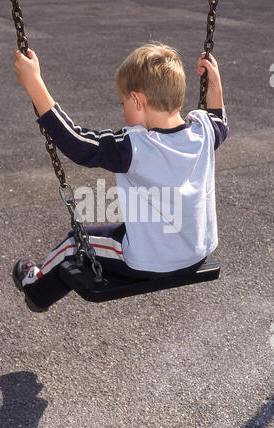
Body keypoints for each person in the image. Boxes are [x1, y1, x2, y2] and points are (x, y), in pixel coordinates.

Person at [12, 43, 229, 312]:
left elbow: (77, 141)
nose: (122, 109)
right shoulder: (203, 131)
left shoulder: (135, 146)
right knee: (120, 230)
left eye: (123, 101)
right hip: (196, 252)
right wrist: (215, 83)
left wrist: (34, 82)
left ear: (138, 100)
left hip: (150, 260)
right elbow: (220, 122)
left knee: (75, 243)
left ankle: (36, 289)